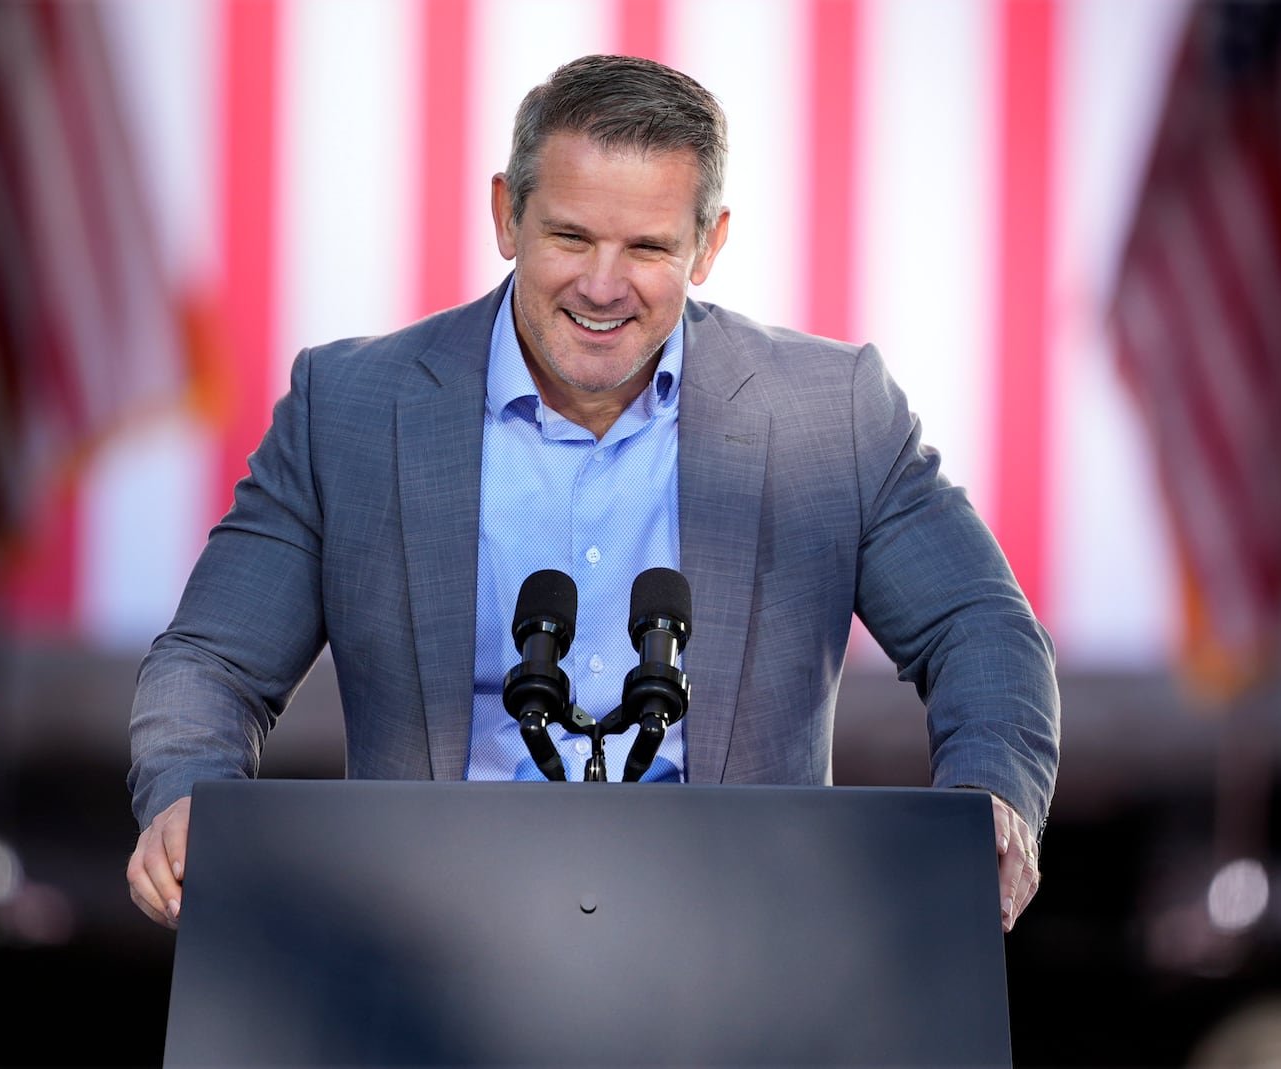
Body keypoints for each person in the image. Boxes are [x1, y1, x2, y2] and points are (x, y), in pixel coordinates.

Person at [126, 54, 1059, 934]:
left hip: (743, 953)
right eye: (570, 235)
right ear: (505, 215)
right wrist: (184, 793)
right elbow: (212, 661)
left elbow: (980, 630)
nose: (603, 285)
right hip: (425, 949)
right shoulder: (352, 410)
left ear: (709, 244)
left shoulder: (831, 415)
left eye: (647, 247)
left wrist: (991, 800)